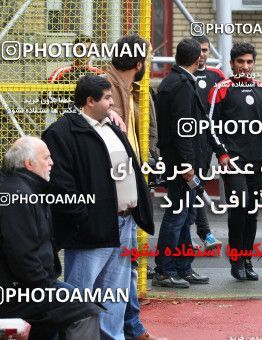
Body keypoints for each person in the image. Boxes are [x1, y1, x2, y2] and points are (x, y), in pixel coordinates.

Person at [41, 75, 155, 338]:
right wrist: (85, 217)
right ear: (89, 101)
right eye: (106, 98)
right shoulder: (61, 132)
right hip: (91, 229)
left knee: (115, 293)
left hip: (123, 223)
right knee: (81, 294)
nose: (112, 103)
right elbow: (59, 182)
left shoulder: (111, 126)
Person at [0, 136, 101, 340]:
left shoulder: (23, 189)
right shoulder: (18, 196)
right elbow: (22, 256)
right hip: (16, 290)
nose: (51, 162)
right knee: (85, 311)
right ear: (29, 164)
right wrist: (45, 289)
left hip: (26, 284)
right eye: (46, 158)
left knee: (74, 301)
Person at [105, 34, 161, 340]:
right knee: (117, 265)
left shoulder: (133, 89)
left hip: (131, 183)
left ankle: (131, 325)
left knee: (127, 262)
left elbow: (146, 133)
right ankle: (116, 330)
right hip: (118, 190)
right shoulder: (107, 87)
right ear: (139, 63)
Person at [153, 38, 219, 288]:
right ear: (197, 59)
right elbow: (183, 129)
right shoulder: (181, 85)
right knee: (177, 216)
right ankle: (165, 269)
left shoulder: (174, 81)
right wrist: (188, 164)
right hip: (182, 165)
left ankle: (183, 266)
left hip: (180, 162)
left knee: (187, 214)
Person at [208, 42, 262, 281]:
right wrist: (222, 154)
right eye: (240, 62)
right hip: (233, 161)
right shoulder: (221, 89)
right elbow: (211, 126)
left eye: (249, 62)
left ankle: (247, 259)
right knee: (239, 208)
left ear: (253, 64)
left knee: (252, 211)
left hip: (256, 160)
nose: (245, 67)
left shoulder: (261, 89)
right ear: (232, 63)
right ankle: (236, 260)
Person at [191, 35, 225, 251]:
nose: (202, 54)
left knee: (196, 185)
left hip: (207, 141)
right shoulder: (182, 76)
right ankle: (203, 234)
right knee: (192, 186)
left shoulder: (216, 76)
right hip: (186, 142)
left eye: (205, 50)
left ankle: (199, 234)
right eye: (198, 50)